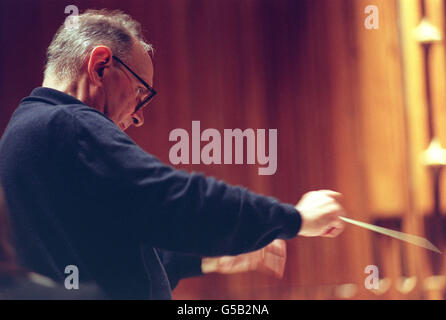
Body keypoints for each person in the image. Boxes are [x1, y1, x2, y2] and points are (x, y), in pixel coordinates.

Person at [0, 9, 345, 299]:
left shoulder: (29, 128)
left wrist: (210, 259)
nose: (138, 114)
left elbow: (108, 258)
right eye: (140, 91)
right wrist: (294, 218)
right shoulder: (68, 124)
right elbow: (172, 198)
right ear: (101, 65)